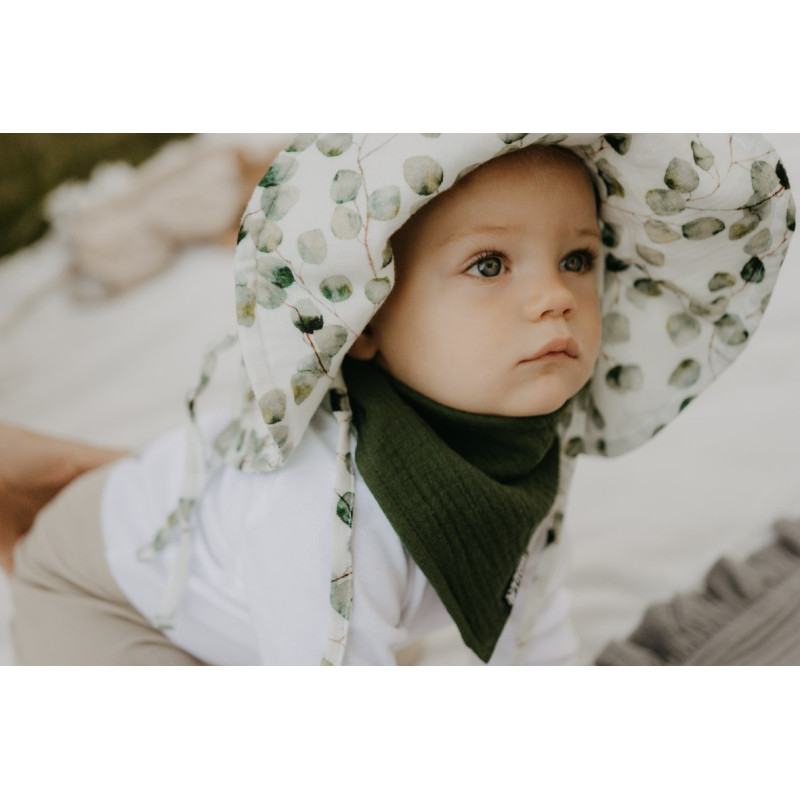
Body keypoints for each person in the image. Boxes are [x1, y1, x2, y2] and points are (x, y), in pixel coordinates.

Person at [3, 133, 794, 665]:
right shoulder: (324, 508)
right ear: (368, 320)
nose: (555, 296)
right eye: (489, 265)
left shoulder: (523, 454)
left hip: (258, 601)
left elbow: (533, 611)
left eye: (578, 259)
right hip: (99, 597)